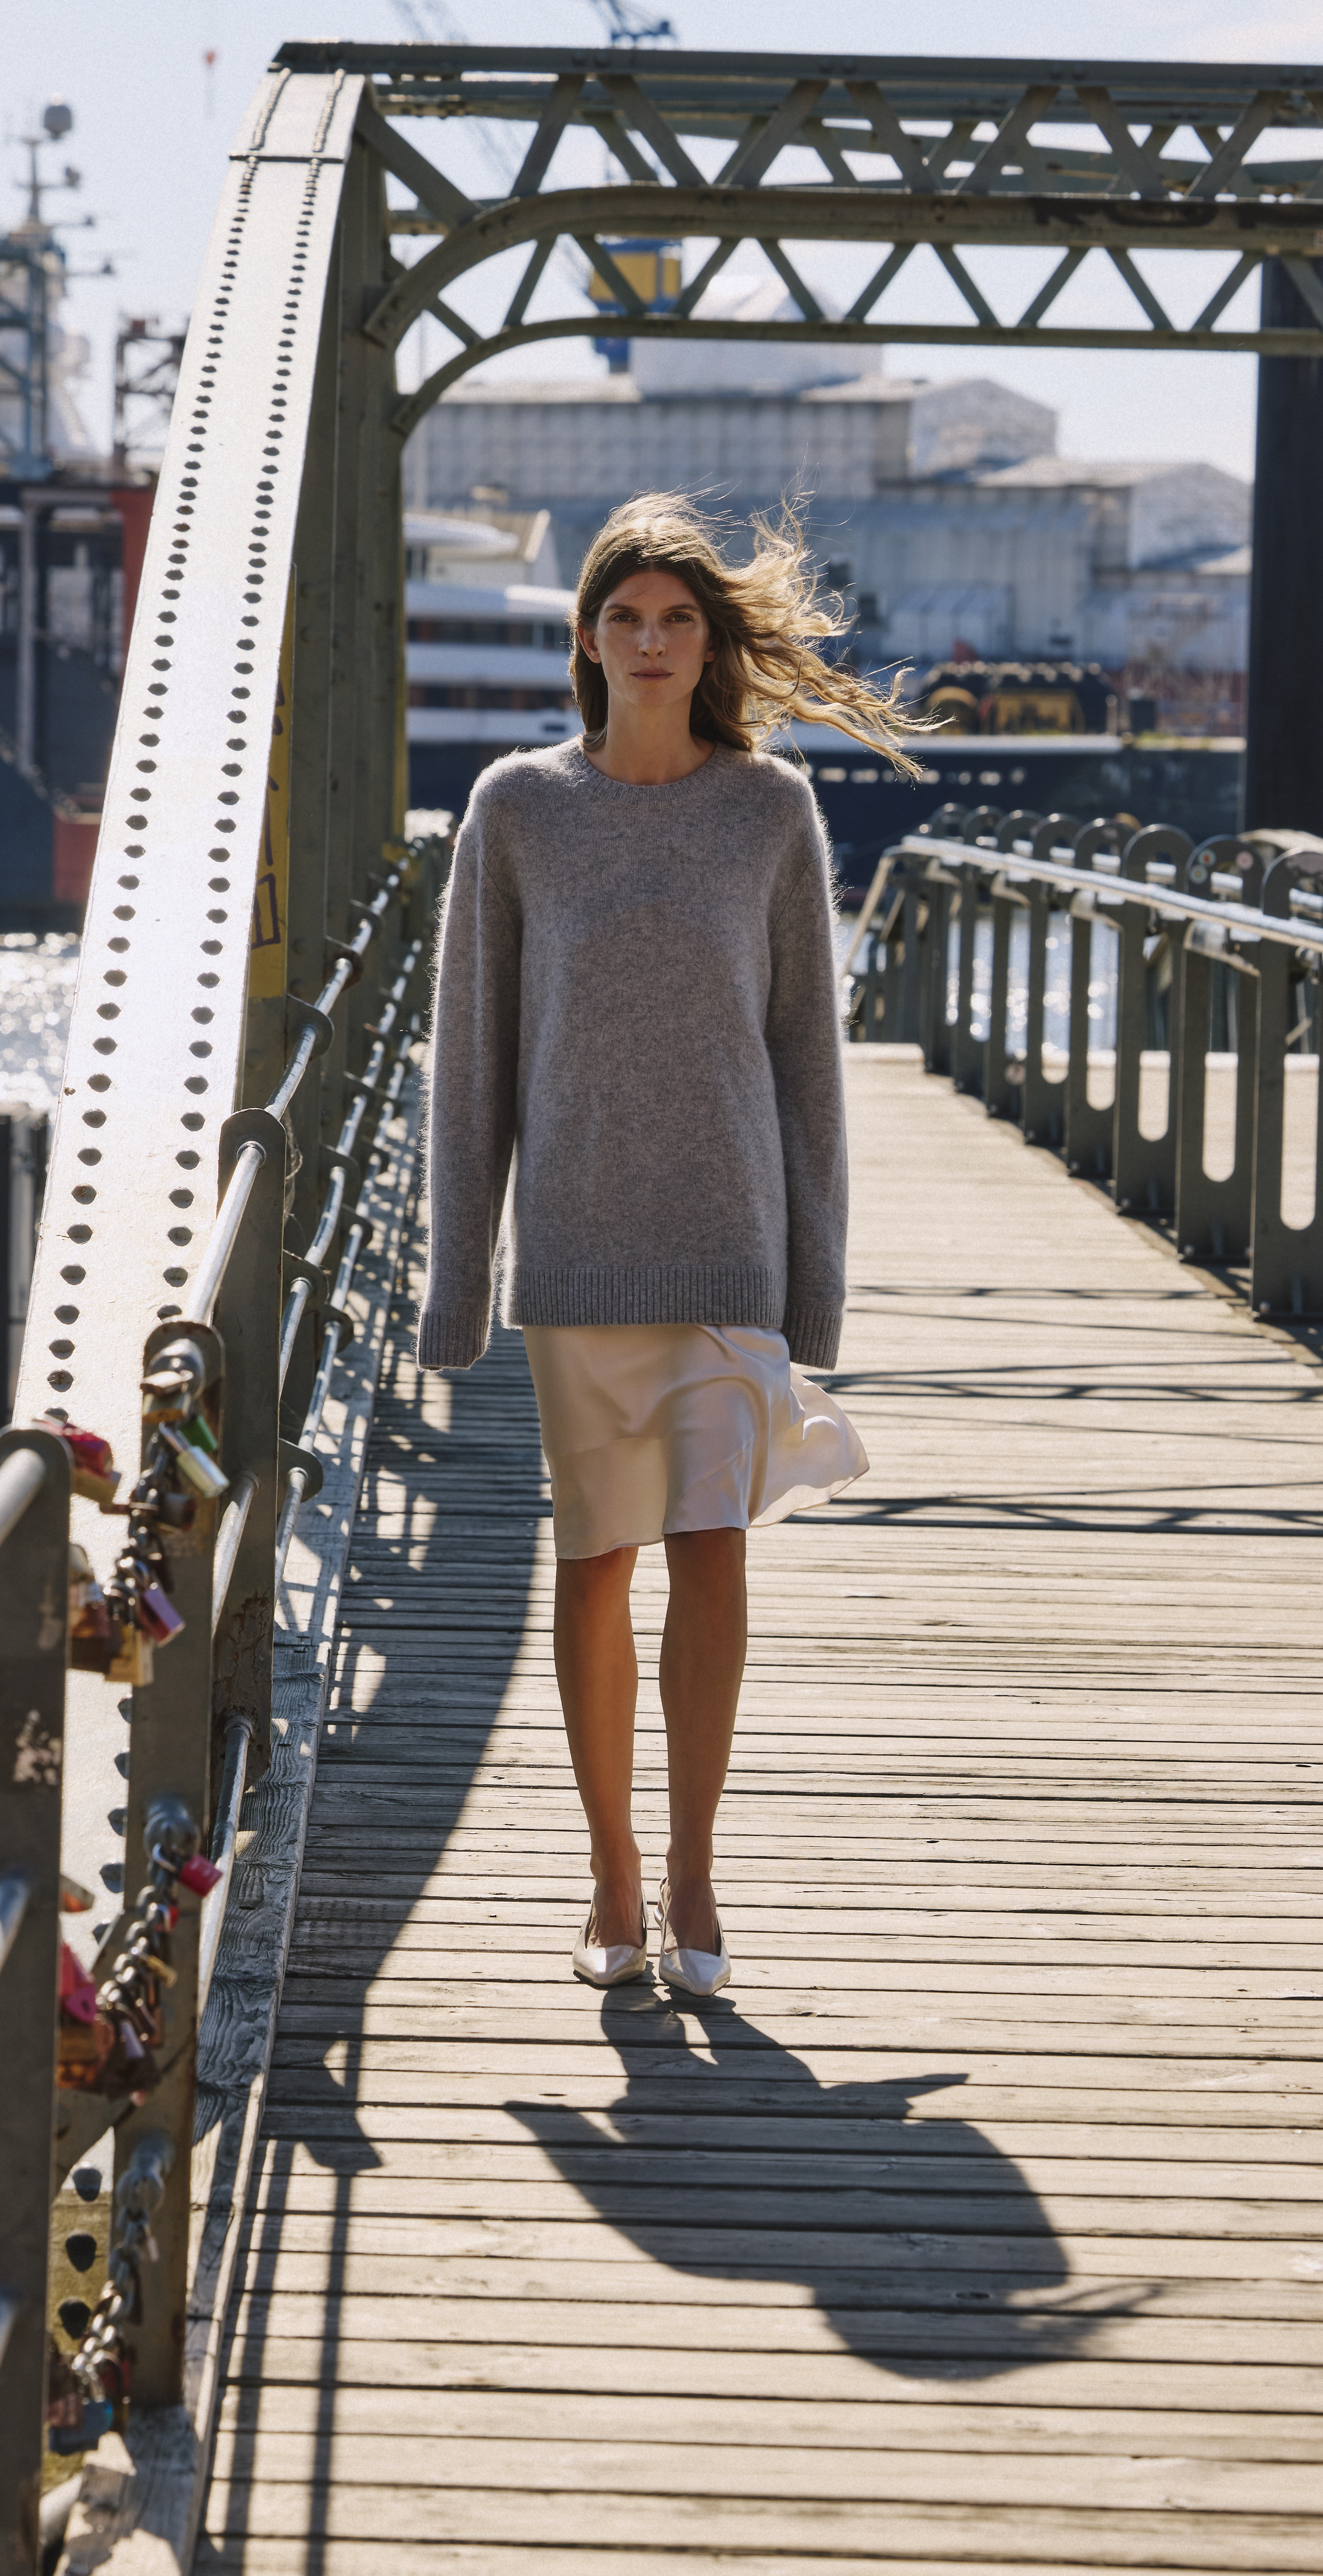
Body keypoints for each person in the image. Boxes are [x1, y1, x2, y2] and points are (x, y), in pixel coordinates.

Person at [416, 492, 925, 1996]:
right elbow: (472, 1060)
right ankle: (610, 1871)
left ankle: (694, 1871)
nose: (649, 642)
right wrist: (461, 1281)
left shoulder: (770, 812)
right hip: (575, 1253)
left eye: (676, 619)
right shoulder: (515, 810)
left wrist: (813, 1277)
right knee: (594, 1562)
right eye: (624, 618)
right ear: (586, 637)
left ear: (709, 645)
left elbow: (805, 1061)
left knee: (709, 1546)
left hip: (727, 1245)